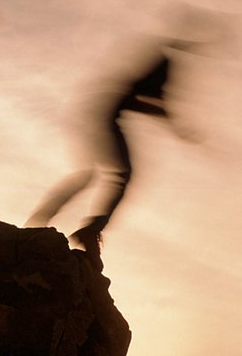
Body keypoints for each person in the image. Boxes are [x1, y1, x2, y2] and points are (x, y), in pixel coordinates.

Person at [27, 35, 207, 255]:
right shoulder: (163, 67)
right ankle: (88, 228)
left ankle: (60, 221)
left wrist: (177, 126)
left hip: (99, 113)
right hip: (104, 116)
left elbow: (150, 103)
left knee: (92, 174)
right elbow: (150, 102)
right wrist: (179, 127)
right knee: (119, 175)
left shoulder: (160, 69)